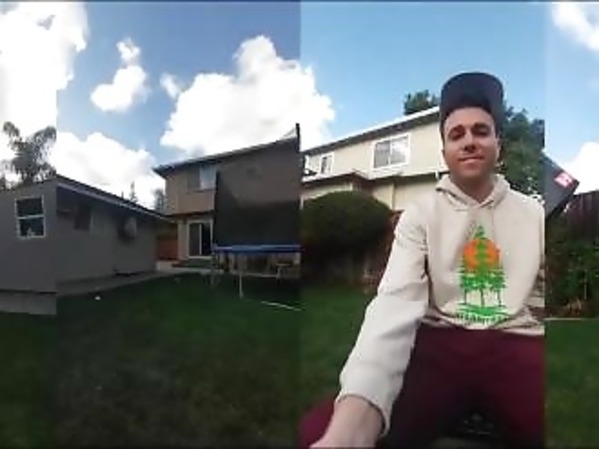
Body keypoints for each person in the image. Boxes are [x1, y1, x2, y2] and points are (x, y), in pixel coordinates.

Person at [299, 72, 545, 449]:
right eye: (456, 134)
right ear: (444, 152)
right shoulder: (420, 214)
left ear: (500, 144)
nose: (469, 141)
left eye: (481, 131)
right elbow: (394, 302)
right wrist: (351, 425)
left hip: (517, 341)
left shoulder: (534, 214)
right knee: (320, 433)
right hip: (438, 342)